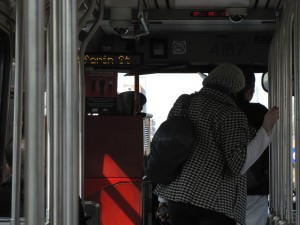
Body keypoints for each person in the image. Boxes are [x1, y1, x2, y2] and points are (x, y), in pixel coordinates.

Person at [153, 63, 279, 225]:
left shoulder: (183, 103)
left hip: (178, 198)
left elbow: (169, 150)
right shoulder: (232, 114)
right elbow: (239, 166)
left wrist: (162, 197)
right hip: (214, 204)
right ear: (237, 89)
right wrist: (265, 131)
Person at [236, 67, 269, 225]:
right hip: (255, 191)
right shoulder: (260, 113)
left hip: (221, 192)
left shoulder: (217, 112)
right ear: (251, 89)